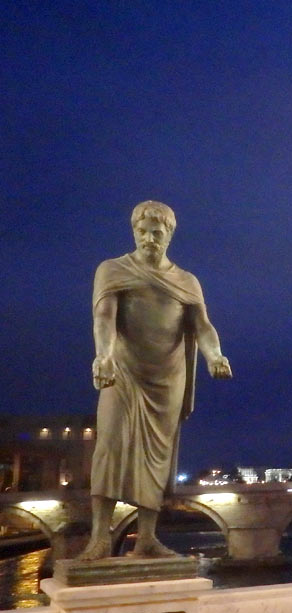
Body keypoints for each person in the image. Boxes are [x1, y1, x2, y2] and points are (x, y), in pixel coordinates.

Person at [78, 201, 232, 560]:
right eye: (142, 231)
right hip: (125, 372)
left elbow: (202, 326)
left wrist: (215, 355)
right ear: (133, 232)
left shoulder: (186, 281)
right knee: (110, 447)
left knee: (157, 460)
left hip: (168, 377)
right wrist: (104, 355)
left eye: (156, 233)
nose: (148, 239)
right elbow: (104, 316)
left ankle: (147, 537)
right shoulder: (113, 270)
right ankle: (100, 538)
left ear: (169, 236)